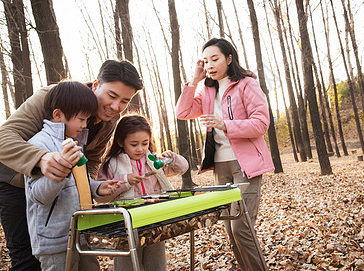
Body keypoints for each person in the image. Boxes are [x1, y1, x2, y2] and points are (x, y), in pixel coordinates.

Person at [0, 59, 143, 270]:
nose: (116, 107)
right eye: (112, 96)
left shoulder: (110, 120)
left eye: (125, 101)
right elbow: (4, 138)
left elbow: (93, 159)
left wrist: (92, 187)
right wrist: (41, 158)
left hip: (60, 196)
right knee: (27, 258)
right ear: (96, 85)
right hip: (14, 181)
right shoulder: (53, 97)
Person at [176, 38, 274, 270]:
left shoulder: (246, 84)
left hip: (245, 166)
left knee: (242, 227)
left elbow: (261, 123)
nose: (210, 64)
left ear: (229, 59)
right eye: (206, 60)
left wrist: (225, 124)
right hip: (220, 168)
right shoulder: (207, 90)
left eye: (215, 58)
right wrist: (194, 80)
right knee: (231, 228)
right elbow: (183, 112)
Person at [25, 81, 122, 270]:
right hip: (55, 241)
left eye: (87, 119)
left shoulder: (74, 142)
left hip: (82, 233)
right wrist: (62, 168)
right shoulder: (38, 144)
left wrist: (97, 188)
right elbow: (38, 196)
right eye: (81, 119)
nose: (85, 125)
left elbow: (78, 181)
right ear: (58, 115)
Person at [97, 114, 188, 271]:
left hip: (155, 219)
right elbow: (102, 196)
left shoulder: (153, 160)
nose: (140, 149)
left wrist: (172, 158)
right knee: (127, 263)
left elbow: (182, 168)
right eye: (134, 144)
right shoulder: (112, 163)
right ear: (120, 142)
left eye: (144, 143)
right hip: (126, 224)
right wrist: (125, 181)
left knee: (156, 263)